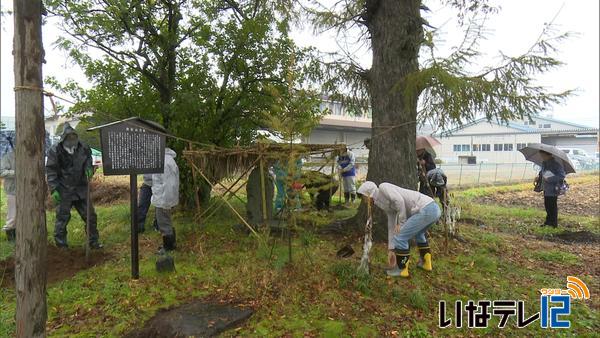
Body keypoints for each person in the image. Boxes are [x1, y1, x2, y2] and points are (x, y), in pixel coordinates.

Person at [357, 181, 441, 278]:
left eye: (363, 197)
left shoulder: (383, 187)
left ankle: (402, 269)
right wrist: (391, 249)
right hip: (432, 209)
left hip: (427, 209)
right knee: (418, 235)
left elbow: (399, 201)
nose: (363, 200)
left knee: (401, 237)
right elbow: (391, 223)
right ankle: (426, 264)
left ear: (369, 193)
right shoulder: (381, 203)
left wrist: (401, 223)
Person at [46, 123, 102, 249]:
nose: (72, 141)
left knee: (90, 216)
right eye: (69, 138)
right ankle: (61, 245)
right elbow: (51, 170)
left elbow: (88, 159)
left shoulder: (83, 147)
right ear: (64, 139)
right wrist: (54, 188)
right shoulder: (55, 150)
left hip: (81, 187)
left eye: (74, 138)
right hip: (64, 189)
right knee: (62, 218)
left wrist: (89, 168)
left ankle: (93, 241)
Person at [151, 147, 179, 251]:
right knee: (164, 221)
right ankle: (170, 244)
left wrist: (165, 203)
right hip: (161, 197)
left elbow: (170, 185)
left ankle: (169, 247)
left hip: (163, 198)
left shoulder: (165, 162)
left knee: (164, 222)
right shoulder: (163, 159)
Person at [539, 150, 566, 227]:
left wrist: (550, 179)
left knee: (552, 206)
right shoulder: (544, 163)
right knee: (547, 205)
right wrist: (539, 176)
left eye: (543, 155)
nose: (542, 157)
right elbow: (542, 172)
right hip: (545, 188)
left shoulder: (556, 165)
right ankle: (548, 221)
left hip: (553, 189)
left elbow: (561, 176)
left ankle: (553, 223)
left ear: (548, 155)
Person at [1, 137, 16, 242]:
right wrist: (15, 172)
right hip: (12, 190)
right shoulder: (7, 157)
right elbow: (1, 172)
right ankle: (10, 236)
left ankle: (18, 234)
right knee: (13, 214)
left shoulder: (26, 156)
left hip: (26, 190)